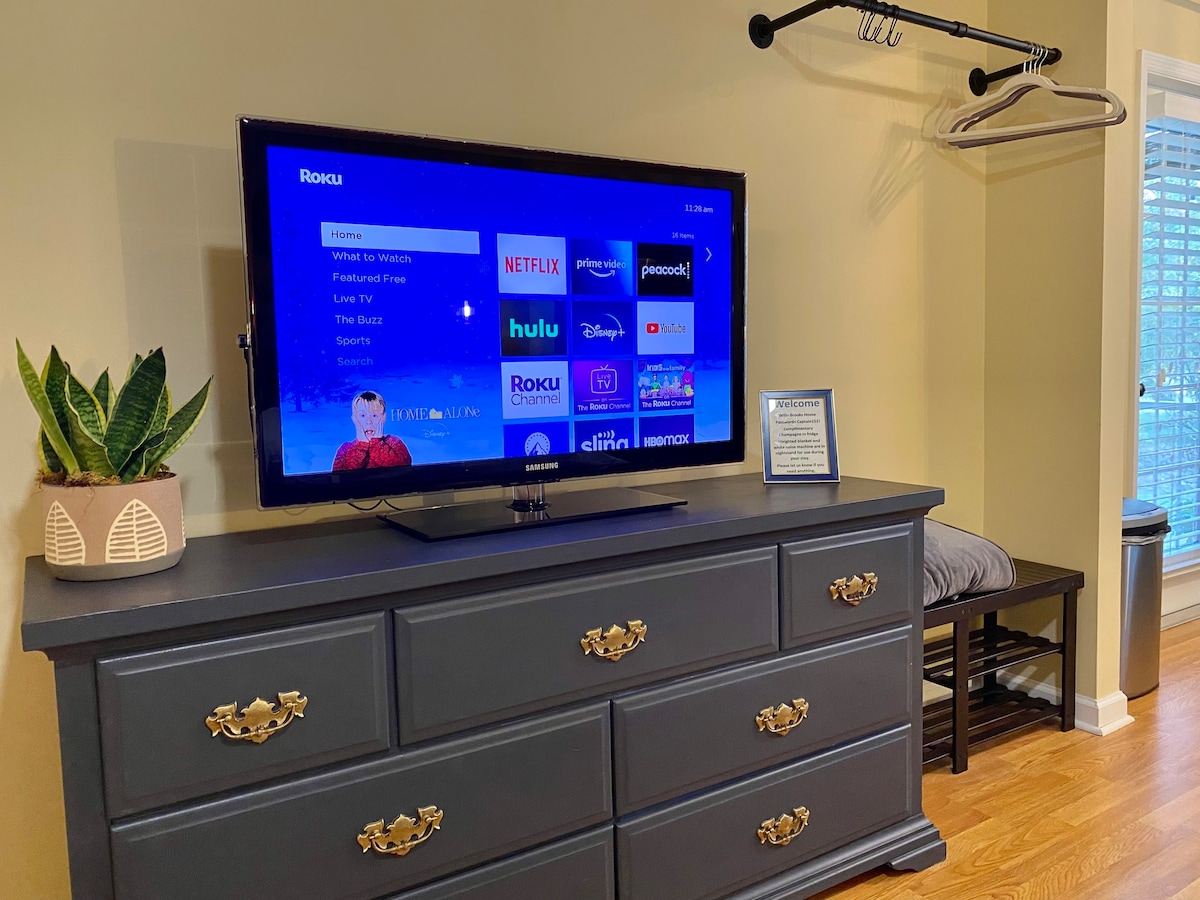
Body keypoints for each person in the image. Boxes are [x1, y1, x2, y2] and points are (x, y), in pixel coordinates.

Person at [332, 391, 413, 470]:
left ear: (383, 417)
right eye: (363, 415)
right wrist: (362, 446)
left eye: (374, 415)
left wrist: (377, 444)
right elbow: (341, 476)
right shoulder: (345, 449)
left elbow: (403, 468)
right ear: (355, 419)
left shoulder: (394, 442)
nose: (369, 421)